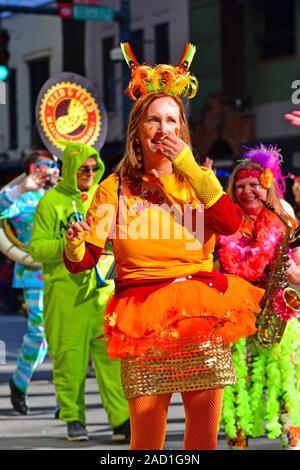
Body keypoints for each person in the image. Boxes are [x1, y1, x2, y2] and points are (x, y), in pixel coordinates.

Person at [63, 43, 264, 450]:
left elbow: (229, 223)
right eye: (153, 120)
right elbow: (83, 260)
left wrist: (191, 166)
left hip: (201, 313)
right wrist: (72, 244)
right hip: (142, 319)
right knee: (147, 440)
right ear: (139, 127)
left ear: (182, 128)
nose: (163, 129)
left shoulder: (197, 180)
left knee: (203, 436)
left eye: (172, 120)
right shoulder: (113, 188)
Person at [29, 142, 129, 442]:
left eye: (94, 168)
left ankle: (122, 421)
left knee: (112, 359)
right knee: (69, 360)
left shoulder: (105, 198)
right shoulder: (50, 203)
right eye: (83, 168)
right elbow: (36, 248)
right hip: (65, 296)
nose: (89, 173)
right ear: (71, 169)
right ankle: (74, 418)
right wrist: (71, 245)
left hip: (103, 294)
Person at [217, 144, 300, 449]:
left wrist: (293, 272)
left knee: (284, 381)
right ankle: (238, 442)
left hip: (278, 314)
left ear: (266, 184)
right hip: (236, 316)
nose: (247, 192)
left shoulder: (285, 220)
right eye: (239, 186)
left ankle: (292, 439)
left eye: (254, 185)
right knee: (237, 385)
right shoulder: (223, 224)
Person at [0, 150, 60, 414]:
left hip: (66, 274)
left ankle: (67, 403)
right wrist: (23, 188)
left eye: (53, 165)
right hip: (35, 276)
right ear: (33, 169)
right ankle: (19, 381)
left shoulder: (64, 194)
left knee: (65, 338)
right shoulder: (22, 197)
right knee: (39, 334)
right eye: (45, 165)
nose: (51, 169)